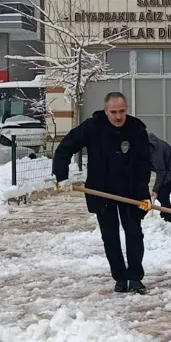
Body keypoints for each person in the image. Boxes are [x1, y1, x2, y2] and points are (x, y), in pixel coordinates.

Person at [53, 92, 153, 293]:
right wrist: (61, 176)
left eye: (122, 111)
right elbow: (65, 147)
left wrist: (144, 194)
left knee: (134, 234)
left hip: (131, 192)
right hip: (102, 192)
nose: (118, 116)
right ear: (105, 110)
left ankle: (134, 277)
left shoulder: (136, 129)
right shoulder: (93, 127)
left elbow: (144, 163)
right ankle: (119, 277)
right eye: (114, 112)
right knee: (110, 236)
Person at [147, 132, 171, 223]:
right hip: (166, 167)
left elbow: (161, 172)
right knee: (161, 193)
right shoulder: (145, 146)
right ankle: (165, 213)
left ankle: (170, 218)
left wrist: (155, 189)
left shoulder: (155, 152)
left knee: (163, 194)